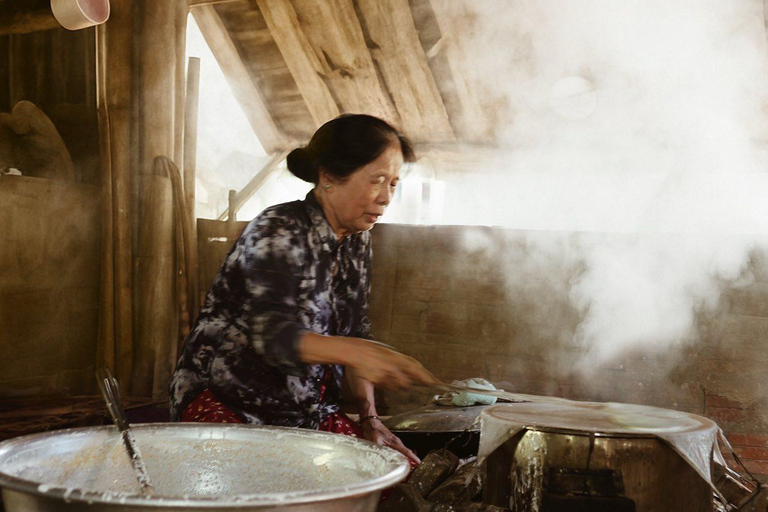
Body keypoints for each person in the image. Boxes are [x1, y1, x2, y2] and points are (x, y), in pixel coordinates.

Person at [169, 114, 437, 463]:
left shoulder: (357, 242)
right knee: (265, 491)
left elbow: (356, 333)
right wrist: (355, 352)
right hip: (229, 403)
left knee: (391, 476)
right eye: (377, 180)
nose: (386, 197)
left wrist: (370, 419)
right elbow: (274, 337)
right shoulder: (278, 229)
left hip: (303, 413)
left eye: (394, 184)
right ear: (328, 178)